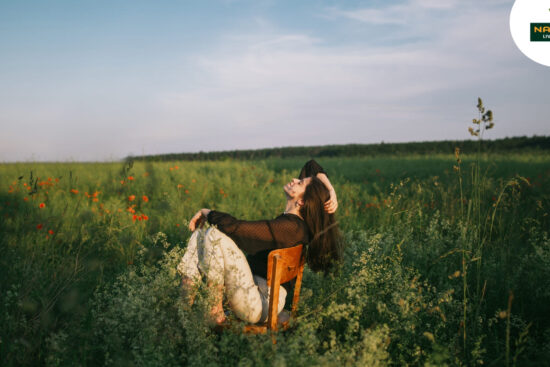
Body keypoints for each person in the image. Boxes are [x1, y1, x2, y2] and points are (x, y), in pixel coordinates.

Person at [177, 160, 341, 325]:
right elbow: (312, 166)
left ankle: (214, 313)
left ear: (302, 202)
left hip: (259, 303)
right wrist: (331, 190)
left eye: (300, 182)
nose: (294, 179)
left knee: (213, 234)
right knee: (200, 235)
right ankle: (183, 309)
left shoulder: (291, 227)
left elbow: (234, 227)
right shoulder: (295, 224)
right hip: (253, 292)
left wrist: (206, 212)